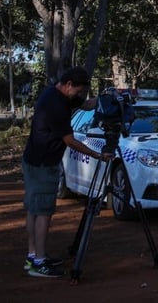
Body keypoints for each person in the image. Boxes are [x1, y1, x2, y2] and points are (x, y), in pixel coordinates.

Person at [22, 67, 113, 277]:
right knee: (43, 212)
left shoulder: (56, 94)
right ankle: (39, 262)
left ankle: (33, 255)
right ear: (69, 84)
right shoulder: (55, 105)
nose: (79, 94)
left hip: (34, 161)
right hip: (43, 165)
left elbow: (86, 104)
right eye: (78, 90)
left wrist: (107, 97)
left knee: (34, 209)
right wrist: (98, 155)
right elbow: (70, 141)